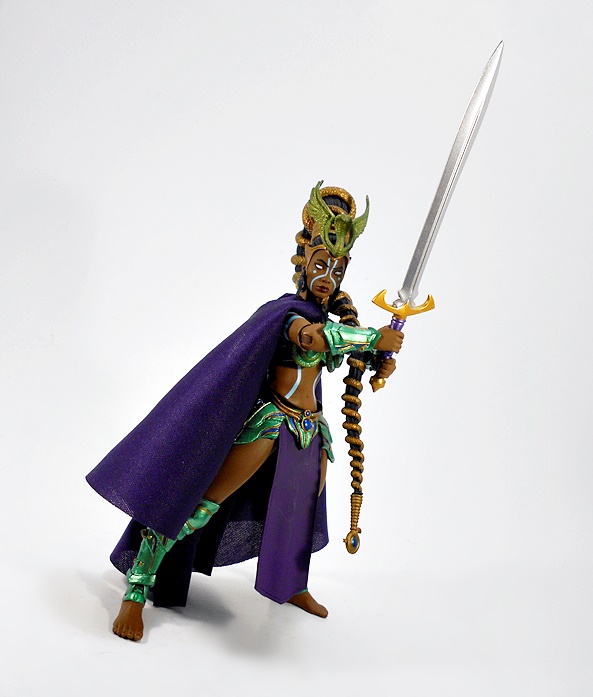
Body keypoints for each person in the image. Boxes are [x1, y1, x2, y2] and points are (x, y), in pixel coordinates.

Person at [87, 182, 403, 641]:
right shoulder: (286, 312)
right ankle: (137, 587)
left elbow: (340, 347)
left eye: (337, 269)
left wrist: (380, 358)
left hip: (310, 428)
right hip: (270, 422)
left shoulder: (328, 317)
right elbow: (314, 339)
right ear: (303, 260)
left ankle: (292, 584)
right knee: (199, 505)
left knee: (301, 513)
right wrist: (372, 338)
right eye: (320, 264)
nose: (327, 276)